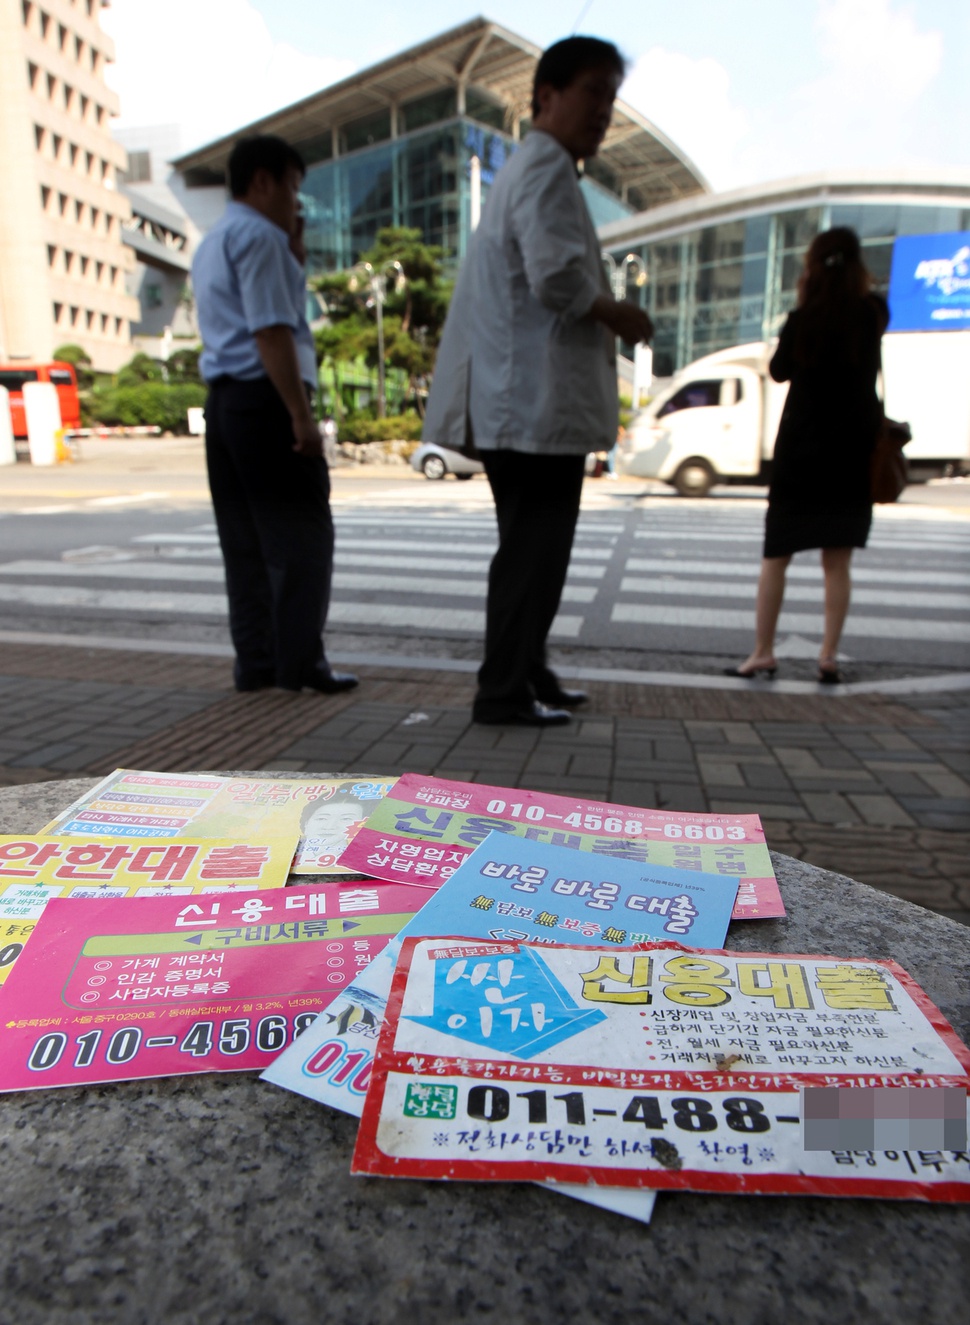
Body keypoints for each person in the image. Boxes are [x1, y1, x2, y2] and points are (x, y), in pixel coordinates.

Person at [423, 36, 653, 726]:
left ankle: (527, 669)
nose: (604, 111)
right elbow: (556, 277)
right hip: (530, 405)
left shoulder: (533, 166)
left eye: (611, 96)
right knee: (534, 553)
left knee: (532, 549)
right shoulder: (548, 166)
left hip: (519, 402)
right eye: (593, 92)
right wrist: (620, 314)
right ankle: (503, 689)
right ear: (546, 96)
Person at [192, 135, 357, 695]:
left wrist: (296, 254)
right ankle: (300, 667)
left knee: (243, 544)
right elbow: (270, 330)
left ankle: (258, 664)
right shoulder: (261, 237)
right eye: (291, 186)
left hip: (225, 405)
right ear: (261, 181)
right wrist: (301, 417)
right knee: (305, 540)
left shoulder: (213, 241)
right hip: (266, 402)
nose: (296, 202)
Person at [725, 227, 888, 685]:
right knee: (837, 563)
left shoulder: (803, 319)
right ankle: (829, 655)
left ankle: (762, 652)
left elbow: (778, 372)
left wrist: (806, 305)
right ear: (856, 266)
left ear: (813, 267)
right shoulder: (873, 313)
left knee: (776, 557)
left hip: (801, 455)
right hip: (851, 455)